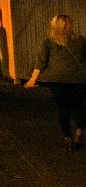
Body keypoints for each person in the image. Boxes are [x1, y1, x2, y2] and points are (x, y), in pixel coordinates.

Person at [27, 12, 86, 149]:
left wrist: (32, 80)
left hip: (57, 81)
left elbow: (41, 63)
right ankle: (79, 132)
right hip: (79, 80)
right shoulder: (82, 40)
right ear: (70, 25)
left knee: (63, 108)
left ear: (54, 26)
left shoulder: (48, 42)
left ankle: (67, 137)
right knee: (79, 107)